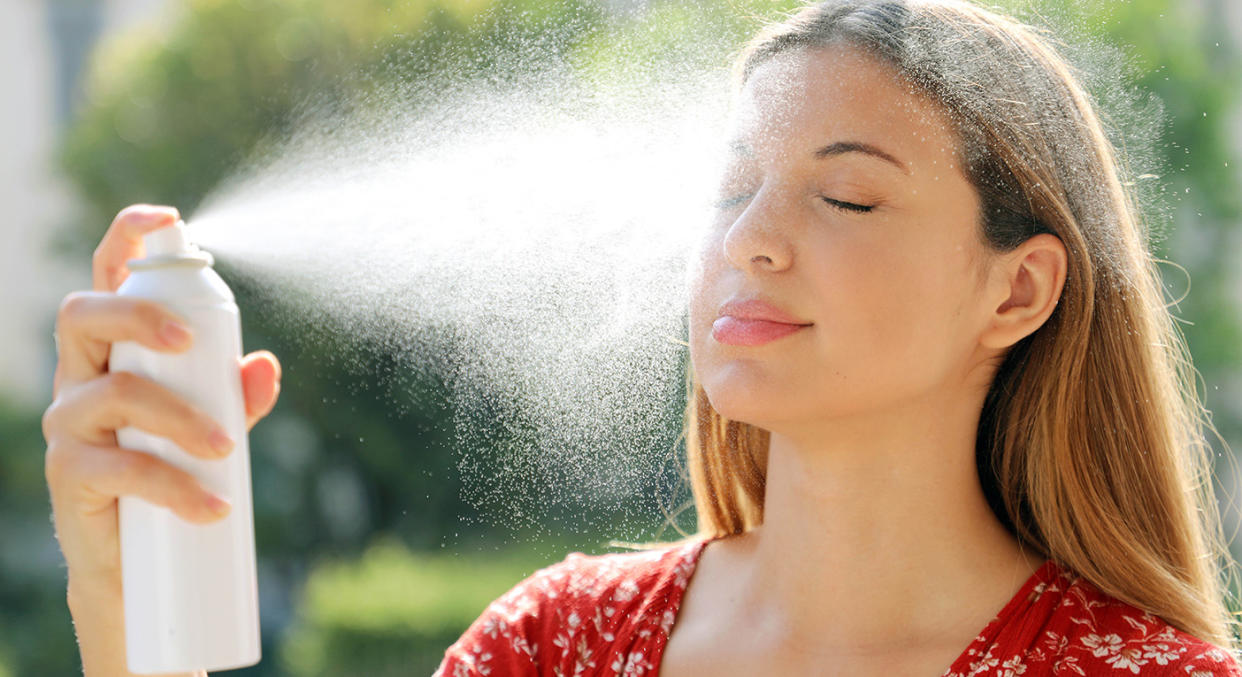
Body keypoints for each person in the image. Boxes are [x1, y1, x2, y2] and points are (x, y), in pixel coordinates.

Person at [40, 1, 1241, 677]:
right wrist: (127, 617)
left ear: (1018, 291)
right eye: (731, 189)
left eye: (849, 195)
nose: (753, 240)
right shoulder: (550, 644)